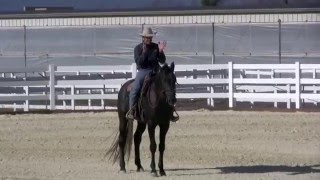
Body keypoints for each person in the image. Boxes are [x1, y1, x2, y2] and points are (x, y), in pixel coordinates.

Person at [126, 27, 179, 122]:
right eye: (147, 37)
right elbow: (139, 63)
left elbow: (162, 60)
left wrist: (160, 51)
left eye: (150, 37)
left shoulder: (155, 47)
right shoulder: (138, 48)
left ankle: (170, 111)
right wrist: (144, 52)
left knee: (167, 86)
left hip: (156, 70)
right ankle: (132, 110)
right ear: (143, 38)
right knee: (135, 88)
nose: (149, 39)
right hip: (143, 71)